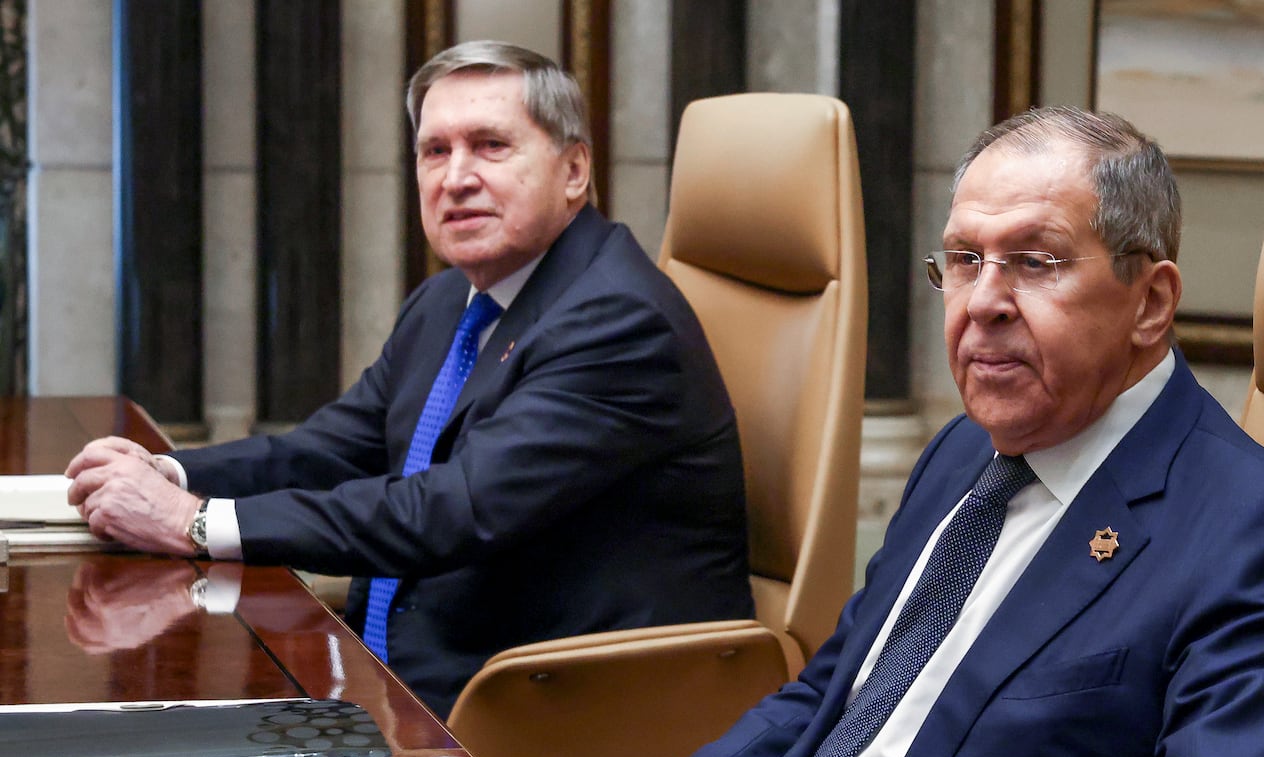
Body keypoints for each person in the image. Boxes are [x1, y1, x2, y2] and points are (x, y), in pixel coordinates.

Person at [573, 106, 1264, 757]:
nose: (983, 301)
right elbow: (835, 692)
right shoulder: (965, 454)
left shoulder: (1243, 520)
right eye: (963, 260)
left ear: (1151, 300)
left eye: (1036, 261)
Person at [64, 42, 753, 716]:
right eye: (434, 151)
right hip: (405, 683)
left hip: (551, 714)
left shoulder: (617, 320)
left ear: (575, 170)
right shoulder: (452, 300)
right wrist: (170, 474)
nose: (455, 178)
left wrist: (196, 524)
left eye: (490, 146)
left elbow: (453, 508)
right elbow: (333, 448)